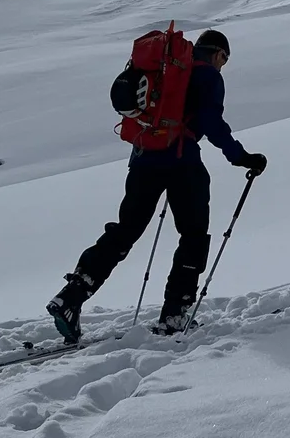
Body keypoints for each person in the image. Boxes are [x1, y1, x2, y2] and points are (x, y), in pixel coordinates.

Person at [48, 29, 267, 341]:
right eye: (224, 59)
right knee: (193, 235)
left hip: (142, 159)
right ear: (218, 53)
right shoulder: (208, 76)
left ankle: (71, 296)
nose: (223, 66)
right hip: (182, 161)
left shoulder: (167, 71)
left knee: (125, 231)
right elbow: (210, 122)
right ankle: (175, 314)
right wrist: (240, 156)